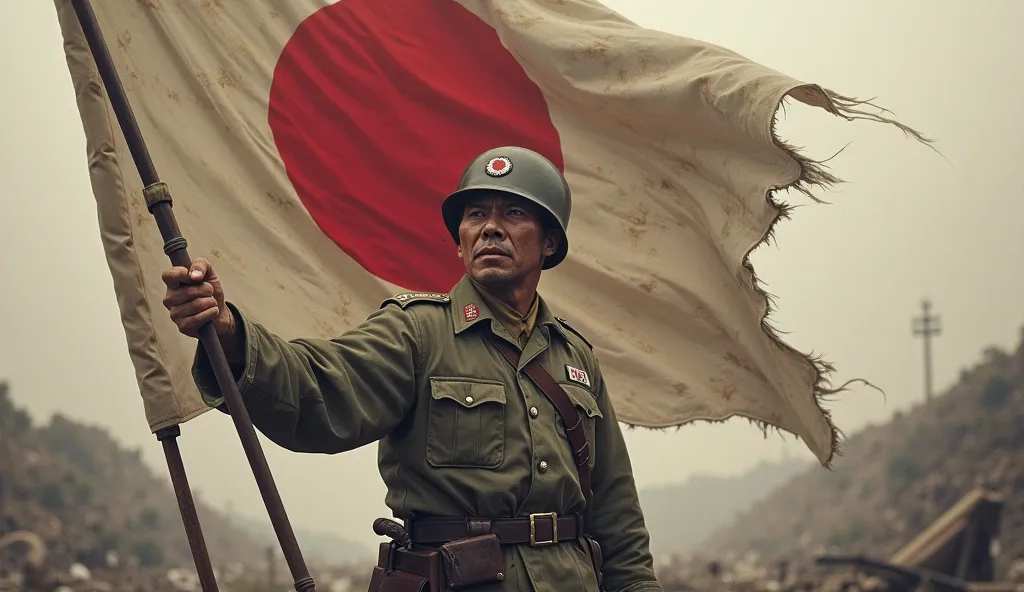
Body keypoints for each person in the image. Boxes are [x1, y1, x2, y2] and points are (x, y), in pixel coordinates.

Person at [161, 146, 661, 592]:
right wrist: (228, 332)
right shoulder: (418, 332)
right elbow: (320, 384)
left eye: (513, 213)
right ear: (459, 242)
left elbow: (616, 513)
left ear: (549, 242)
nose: (490, 227)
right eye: (475, 215)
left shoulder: (575, 358)